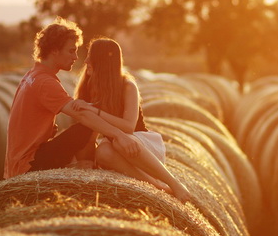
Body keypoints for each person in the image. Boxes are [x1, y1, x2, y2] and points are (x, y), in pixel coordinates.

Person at [4, 17, 141, 180]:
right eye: (71, 50)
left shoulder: (32, 75)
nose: (76, 57)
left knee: (84, 124)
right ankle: (92, 174)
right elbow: (82, 115)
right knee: (86, 126)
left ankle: (83, 167)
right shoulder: (45, 82)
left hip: (19, 162)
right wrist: (120, 136)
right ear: (55, 50)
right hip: (28, 165)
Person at [72, 37, 192, 203]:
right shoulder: (88, 85)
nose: (86, 60)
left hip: (142, 147)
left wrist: (94, 110)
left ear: (102, 62)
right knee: (103, 152)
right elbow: (90, 128)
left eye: (90, 56)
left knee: (119, 140)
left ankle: (174, 183)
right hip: (118, 151)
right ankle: (158, 187)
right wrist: (87, 160)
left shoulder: (128, 86)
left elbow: (128, 127)